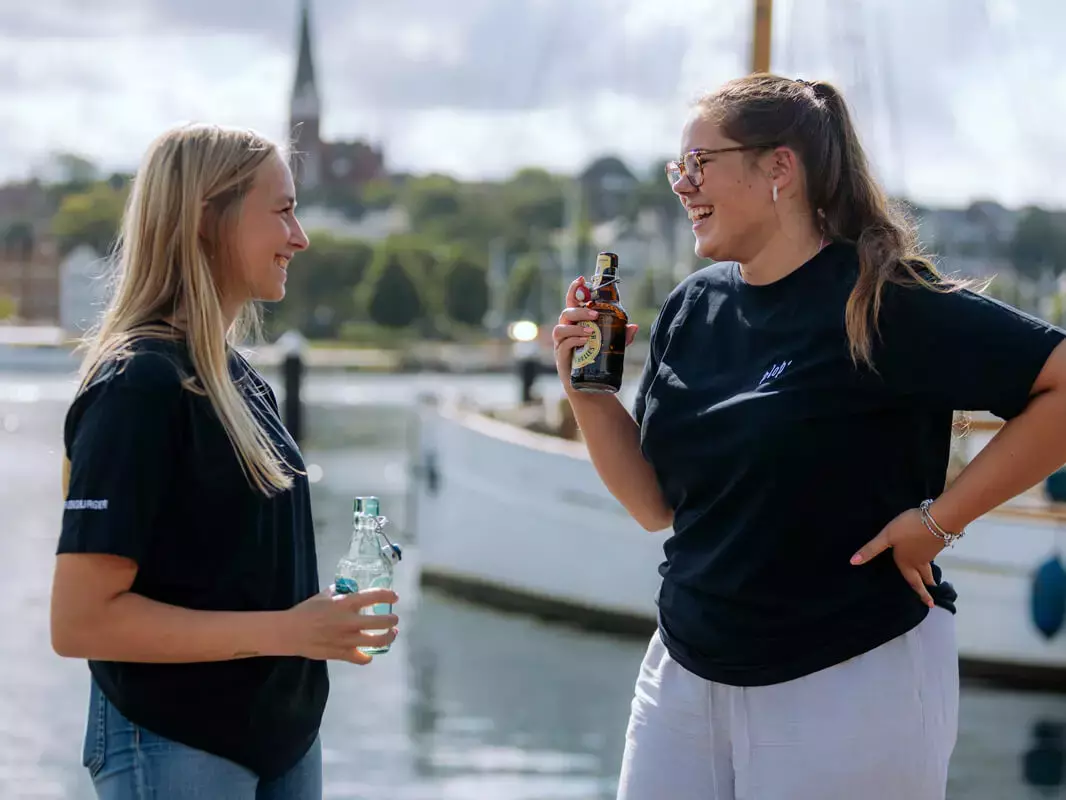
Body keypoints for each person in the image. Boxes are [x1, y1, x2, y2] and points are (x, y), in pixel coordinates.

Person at [552, 74, 1066, 800]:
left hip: (852, 670)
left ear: (779, 170)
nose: (681, 184)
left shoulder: (881, 301)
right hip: (685, 672)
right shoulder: (692, 309)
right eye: (677, 167)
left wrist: (937, 522)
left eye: (699, 164)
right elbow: (656, 507)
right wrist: (586, 393)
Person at [50, 123, 399, 800]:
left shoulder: (236, 379)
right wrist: (290, 631)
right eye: (283, 210)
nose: (300, 237)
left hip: (283, 740)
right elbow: (80, 621)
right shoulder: (139, 387)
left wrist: (320, 624)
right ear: (208, 220)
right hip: (176, 739)